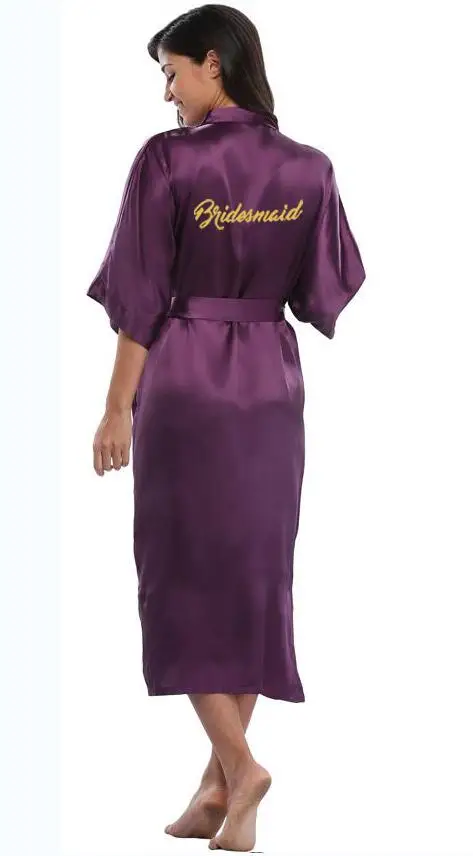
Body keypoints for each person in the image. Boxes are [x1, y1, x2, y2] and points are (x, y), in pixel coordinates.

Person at [86, 4, 366, 851]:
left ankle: (240, 769)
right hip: (270, 386)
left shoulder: (167, 160)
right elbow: (324, 292)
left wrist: (115, 407)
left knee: (178, 575)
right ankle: (217, 789)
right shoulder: (309, 169)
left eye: (171, 73)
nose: (167, 94)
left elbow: (139, 298)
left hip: (186, 382)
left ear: (214, 63)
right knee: (251, 577)